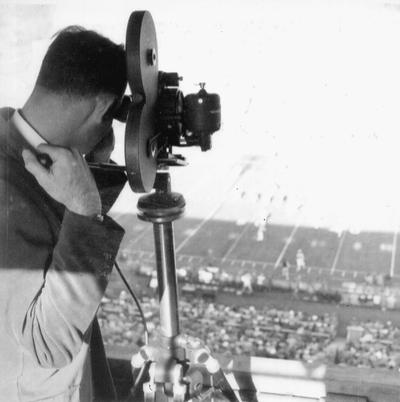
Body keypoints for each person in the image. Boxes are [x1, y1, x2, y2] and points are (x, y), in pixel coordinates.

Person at [0, 27, 128, 401]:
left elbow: (52, 231)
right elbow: (47, 346)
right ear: (103, 108)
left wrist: (94, 170)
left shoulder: (13, 145)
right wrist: (87, 211)